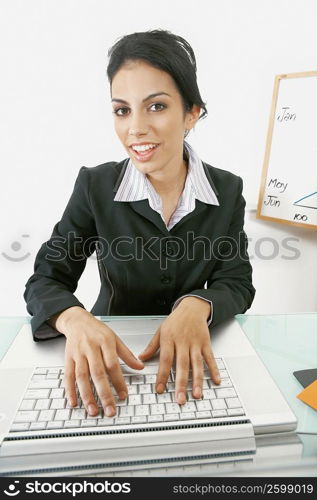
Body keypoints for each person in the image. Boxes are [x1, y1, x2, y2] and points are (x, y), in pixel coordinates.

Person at [24, 29, 255, 420]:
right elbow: (46, 279)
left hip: (192, 355)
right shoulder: (95, 185)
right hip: (111, 355)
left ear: (191, 113)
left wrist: (197, 305)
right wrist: (75, 319)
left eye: (156, 106)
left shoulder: (227, 190)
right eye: (122, 110)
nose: (135, 128)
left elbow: (236, 282)